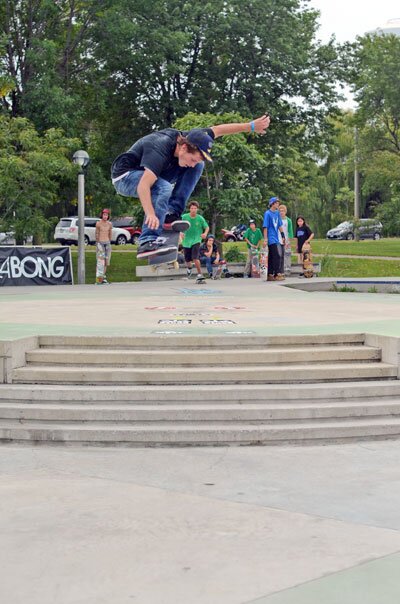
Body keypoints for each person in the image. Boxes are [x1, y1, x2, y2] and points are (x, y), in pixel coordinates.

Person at [111, 114, 270, 258]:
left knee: (198, 167)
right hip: (126, 176)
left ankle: (171, 212)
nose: (191, 164)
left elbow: (218, 130)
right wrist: (150, 213)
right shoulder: (159, 147)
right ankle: (147, 240)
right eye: (192, 159)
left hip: (157, 174)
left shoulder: (195, 137)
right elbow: (144, 186)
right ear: (184, 147)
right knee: (164, 187)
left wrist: (251, 126)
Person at [182, 201, 209, 282]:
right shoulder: (184, 217)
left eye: (195, 208)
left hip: (197, 239)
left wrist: (205, 233)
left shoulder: (200, 218)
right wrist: (180, 232)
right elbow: (177, 224)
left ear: (197, 209)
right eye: (192, 208)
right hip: (186, 240)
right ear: (189, 209)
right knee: (187, 260)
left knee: (195, 257)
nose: (193, 210)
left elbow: (207, 227)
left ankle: (200, 274)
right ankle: (189, 268)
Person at [263, 197, 286, 281]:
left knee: (272, 256)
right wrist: (265, 239)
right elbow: (265, 227)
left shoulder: (277, 213)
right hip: (271, 238)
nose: (278, 205)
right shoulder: (267, 213)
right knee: (277, 255)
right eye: (276, 203)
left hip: (276, 237)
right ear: (272, 204)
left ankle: (270, 274)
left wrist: (283, 235)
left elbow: (279, 225)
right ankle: (277, 273)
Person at [95, 208, 112, 284]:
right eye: (104, 214)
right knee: (100, 262)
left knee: (106, 262)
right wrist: (98, 243)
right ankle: (98, 279)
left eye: (106, 215)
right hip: (100, 244)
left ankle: (103, 278)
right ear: (102, 215)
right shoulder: (98, 223)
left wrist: (109, 242)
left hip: (107, 244)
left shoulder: (109, 224)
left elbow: (110, 234)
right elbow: (96, 233)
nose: (105, 216)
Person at [278, 204, 293, 276]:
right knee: (279, 254)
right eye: (280, 211)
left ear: (285, 212)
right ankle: (280, 270)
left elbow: (290, 231)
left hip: (286, 240)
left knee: (286, 255)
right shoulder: (277, 219)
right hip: (278, 239)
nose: (281, 212)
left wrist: (288, 241)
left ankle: (287, 269)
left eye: (283, 211)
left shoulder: (288, 220)